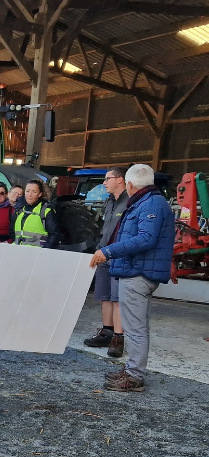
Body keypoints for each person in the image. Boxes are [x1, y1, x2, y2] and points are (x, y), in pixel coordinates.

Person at [91, 164, 174, 392]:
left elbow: (146, 238)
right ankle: (131, 370)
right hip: (136, 269)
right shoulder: (148, 202)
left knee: (135, 328)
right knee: (137, 326)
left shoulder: (150, 204)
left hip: (137, 272)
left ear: (128, 184)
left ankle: (134, 375)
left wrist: (108, 251)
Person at [84, 167, 130, 358]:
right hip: (104, 254)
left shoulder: (130, 202)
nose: (104, 183)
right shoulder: (110, 202)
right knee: (105, 295)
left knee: (117, 298)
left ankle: (118, 338)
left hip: (119, 255)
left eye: (107, 179)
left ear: (120, 180)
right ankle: (107, 331)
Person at [13, 179, 60, 248]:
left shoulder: (47, 211)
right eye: (27, 191)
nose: (29, 195)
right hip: (17, 251)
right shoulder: (19, 210)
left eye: (34, 192)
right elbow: (12, 232)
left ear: (40, 194)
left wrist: (43, 252)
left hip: (36, 254)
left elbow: (54, 235)